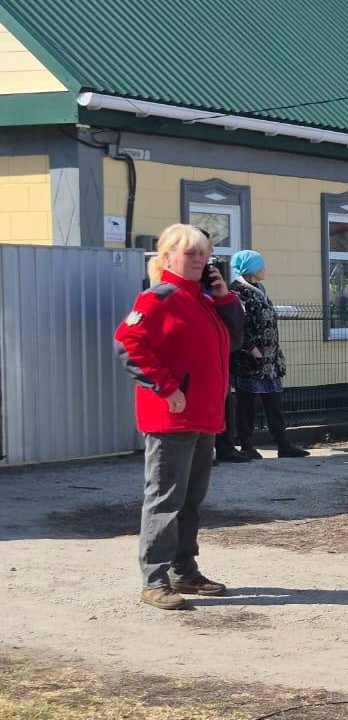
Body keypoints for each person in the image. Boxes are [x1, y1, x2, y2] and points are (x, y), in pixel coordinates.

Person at [114, 223, 245, 611]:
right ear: (168, 257)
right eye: (190, 253)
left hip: (203, 416)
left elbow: (235, 342)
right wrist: (167, 387)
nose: (199, 260)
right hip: (171, 417)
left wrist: (224, 298)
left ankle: (183, 570)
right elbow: (128, 341)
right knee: (165, 500)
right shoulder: (160, 297)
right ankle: (154, 580)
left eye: (203, 254)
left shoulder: (201, 299)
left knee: (190, 500)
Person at [228, 250, 309, 459]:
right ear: (250, 269)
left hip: (270, 359)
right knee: (246, 404)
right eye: (260, 265)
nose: (264, 269)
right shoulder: (236, 292)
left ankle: (283, 444)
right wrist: (251, 348)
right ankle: (246, 445)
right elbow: (235, 324)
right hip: (249, 360)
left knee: (274, 402)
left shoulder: (259, 289)